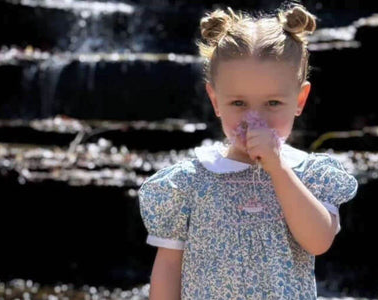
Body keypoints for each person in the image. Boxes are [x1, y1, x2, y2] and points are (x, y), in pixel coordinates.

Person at [138, 2, 359, 299]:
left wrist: (277, 168)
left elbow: (318, 241)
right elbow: (168, 267)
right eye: (238, 103)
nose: (254, 119)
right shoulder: (189, 182)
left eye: (272, 103)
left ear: (300, 100)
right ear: (215, 101)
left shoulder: (309, 174)